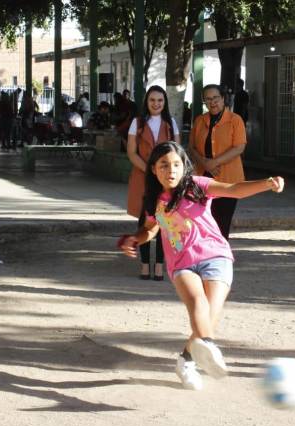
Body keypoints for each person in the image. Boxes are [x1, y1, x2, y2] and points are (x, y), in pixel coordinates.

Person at [118, 142, 284, 390]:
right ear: (154, 169)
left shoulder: (197, 186)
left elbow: (234, 189)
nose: (171, 170)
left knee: (209, 313)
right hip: (182, 263)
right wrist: (136, 238)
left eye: (176, 164)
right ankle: (208, 348)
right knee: (198, 304)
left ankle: (186, 361)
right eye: (164, 165)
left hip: (216, 256)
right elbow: (151, 228)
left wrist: (266, 183)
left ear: (184, 166)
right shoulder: (155, 200)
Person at [126, 85, 181, 281]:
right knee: (144, 222)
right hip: (143, 177)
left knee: (164, 223)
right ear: (146, 102)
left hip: (165, 179)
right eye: (152, 100)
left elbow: (177, 152)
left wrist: (162, 172)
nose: (156, 104)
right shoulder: (137, 122)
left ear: (164, 102)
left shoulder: (170, 123)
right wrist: (149, 170)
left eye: (160, 100)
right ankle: (144, 265)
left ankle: (159, 266)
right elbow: (132, 152)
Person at [188, 84, 247, 240]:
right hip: (203, 179)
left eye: (215, 98)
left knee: (222, 222)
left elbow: (239, 147)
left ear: (222, 99)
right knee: (203, 220)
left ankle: (221, 259)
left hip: (229, 180)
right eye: (208, 99)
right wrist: (205, 163)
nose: (212, 102)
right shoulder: (200, 121)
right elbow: (192, 147)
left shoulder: (235, 120)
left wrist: (214, 162)